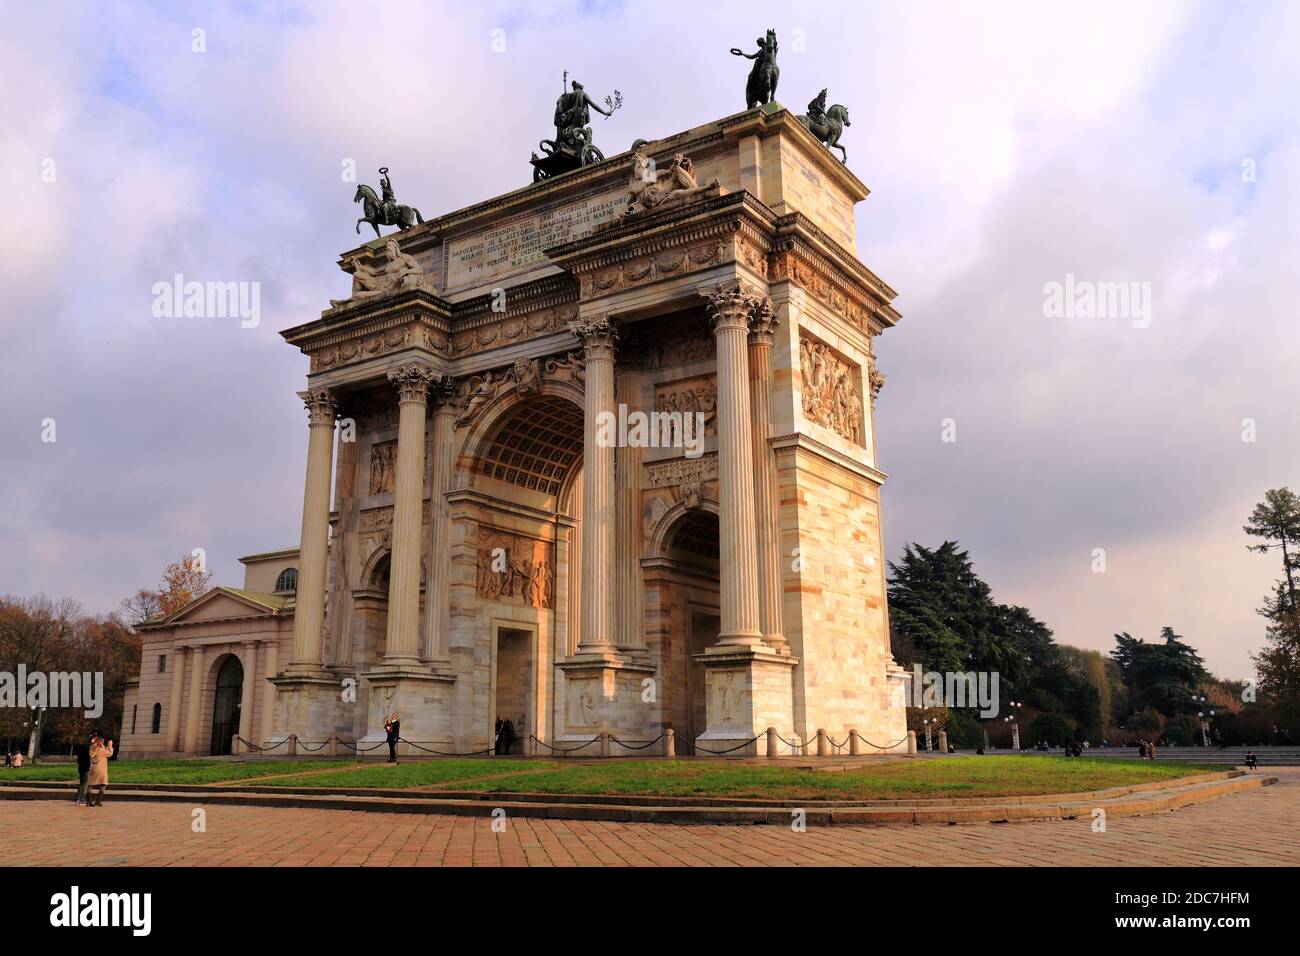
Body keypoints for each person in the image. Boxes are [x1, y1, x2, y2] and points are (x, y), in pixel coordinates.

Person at [87, 734, 112, 807]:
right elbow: (109, 753)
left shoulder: (92, 748)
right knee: (104, 783)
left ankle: (89, 801)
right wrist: (110, 746)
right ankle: (98, 801)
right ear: (101, 742)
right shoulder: (101, 750)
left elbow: (97, 749)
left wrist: (105, 746)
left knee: (90, 784)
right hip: (101, 770)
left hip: (92, 769)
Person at [74, 736, 92, 805]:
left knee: (81, 783)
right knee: (85, 784)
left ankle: (78, 799)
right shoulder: (89, 748)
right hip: (86, 767)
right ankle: (82, 799)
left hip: (81, 767)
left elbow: (79, 759)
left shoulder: (82, 746)